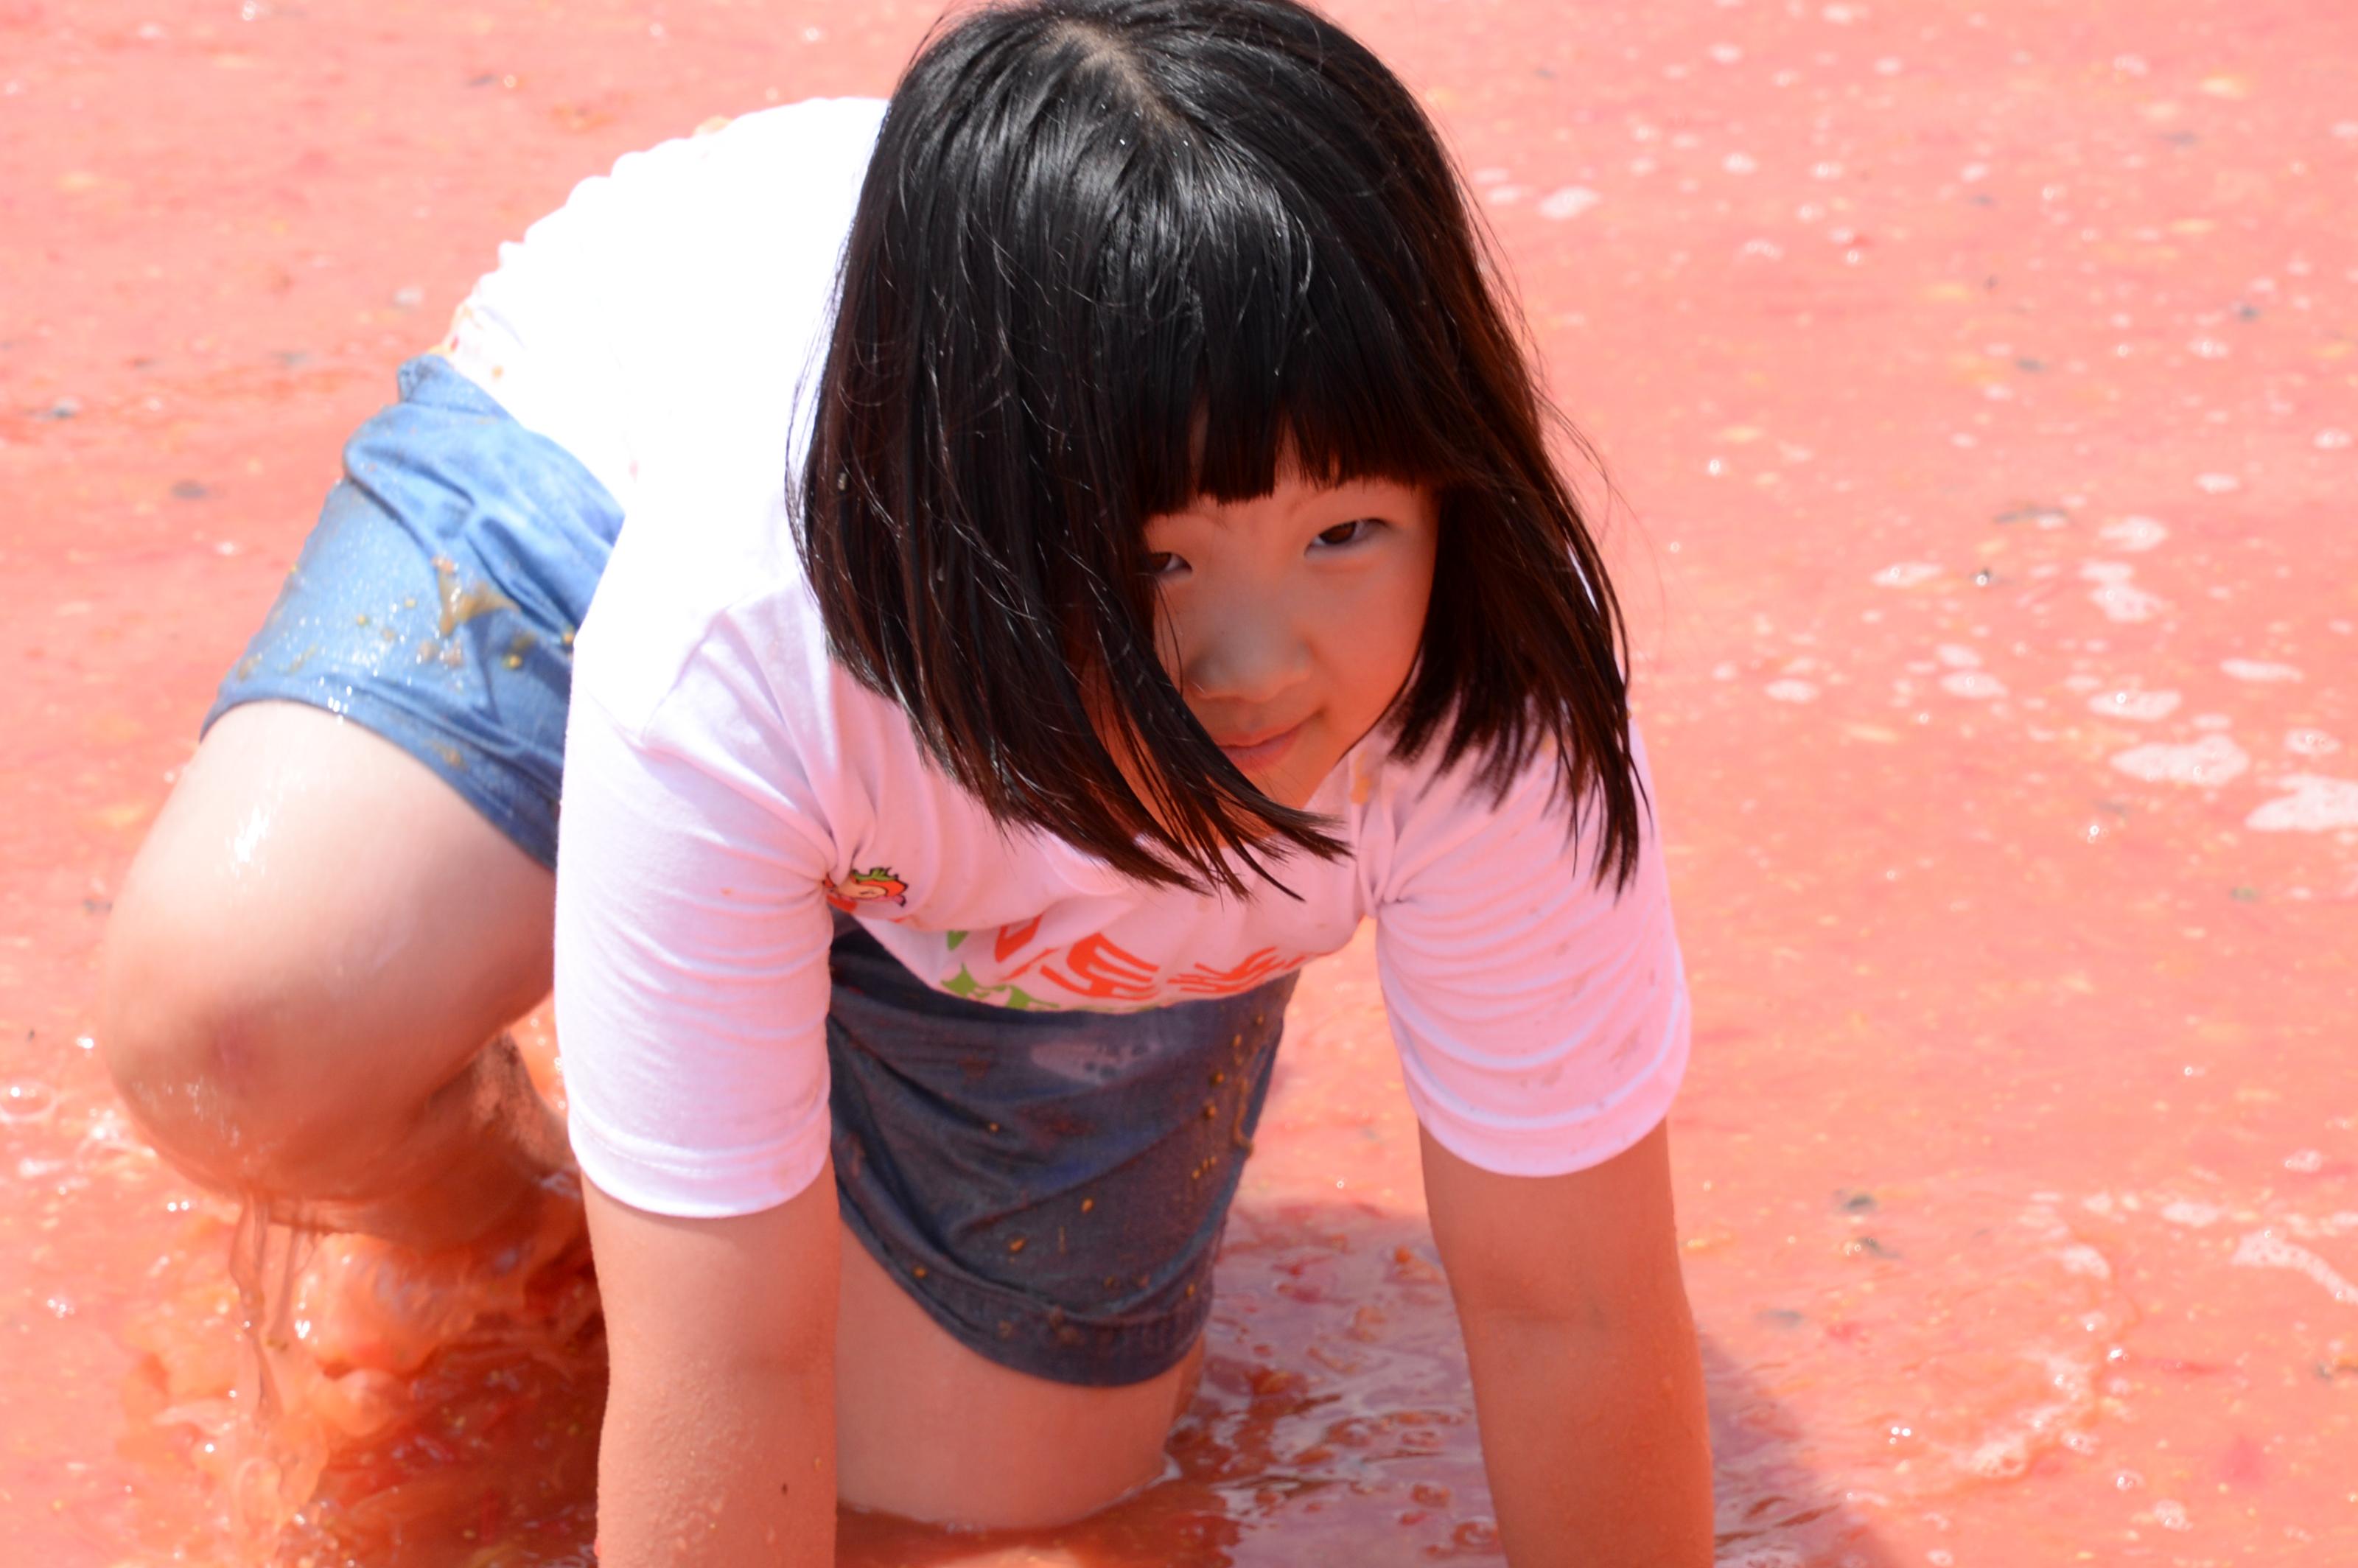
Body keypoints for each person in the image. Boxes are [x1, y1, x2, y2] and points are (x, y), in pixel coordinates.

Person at [97, 1, 1712, 1561]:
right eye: (1163, 559)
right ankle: (502, 1213)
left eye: (1343, 533)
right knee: (242, 1029)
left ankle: (822, 1041)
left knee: (983, 1495)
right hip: (634, 432)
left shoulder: (1491, 692)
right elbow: (728, 1368)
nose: (1256, 666)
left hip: (1003, 712)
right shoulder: (740, 636)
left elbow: (1570, 1306)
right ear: (975, 529)